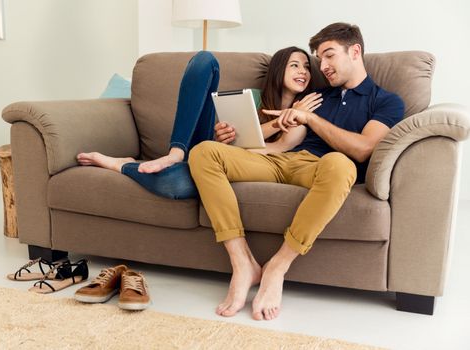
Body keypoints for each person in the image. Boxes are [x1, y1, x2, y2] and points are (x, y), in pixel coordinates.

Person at [187, 22, 405, 321]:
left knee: (341, 163)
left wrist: (310, 119)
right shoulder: (318, 96)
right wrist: (235, 141)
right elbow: (283, 144)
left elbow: (363, 149)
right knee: (203, 152)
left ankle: (277, 266)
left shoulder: (386, 101)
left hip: (323, 168)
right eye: (320, 58)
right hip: (284, 160)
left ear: (355, 51)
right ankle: (242, 263)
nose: (323, 66)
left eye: (329, 56)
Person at [77, 47, 321, 199]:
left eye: (307, 67)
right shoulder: (253, 98)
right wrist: (223, 135)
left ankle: (122, 165)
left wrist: (285, 119)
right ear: (279, 70)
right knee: (205, 60)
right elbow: (221, 143)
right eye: (295, 65)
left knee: (175, 183)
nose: (303, 71)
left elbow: (278, 148)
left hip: (225, 165)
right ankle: (175, 151)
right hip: (209, 151)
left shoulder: (304, 109)